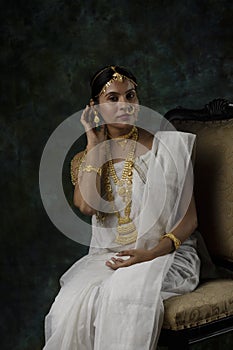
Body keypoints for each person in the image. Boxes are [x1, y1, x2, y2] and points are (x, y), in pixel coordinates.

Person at [43, 65, 200, 350]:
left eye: (131, 96)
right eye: (113, 99)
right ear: (95, 108)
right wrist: (94, 142)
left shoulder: (166, 147)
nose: (125, 105)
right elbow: (87, 206)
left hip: (165, 255)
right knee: (67, 307)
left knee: (120, 297)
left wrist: (148, 253)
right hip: (109, 258)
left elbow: (189, 221)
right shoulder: (86, 158)